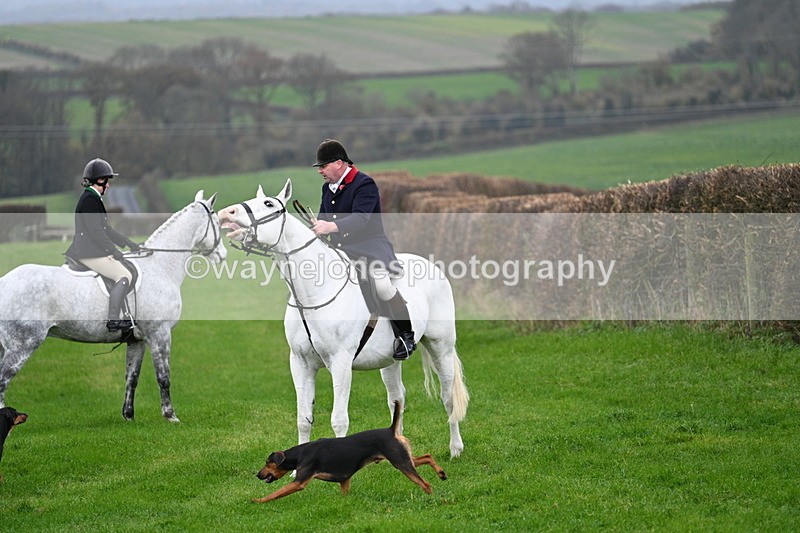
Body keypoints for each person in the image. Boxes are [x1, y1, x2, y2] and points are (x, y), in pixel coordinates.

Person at [311, 139, 416, 360]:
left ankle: (406, 336)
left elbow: (362, 218)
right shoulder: (327, 188)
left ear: (339, 163)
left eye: (323, 166)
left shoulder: (364, 183)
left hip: (371, 247)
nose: (320, 170)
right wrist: (317, 229)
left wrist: (331, 226)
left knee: (382, 285)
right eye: (319, 167)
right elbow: (323, 218)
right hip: (342, 249)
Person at [65, 158, 140, 332]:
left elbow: (106, 229)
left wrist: (128, 243)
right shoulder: (90, 199)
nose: (109, 185)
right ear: (100, 180)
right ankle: (113, 320)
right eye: (107, 181)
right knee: (124, 275)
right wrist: (113, 251)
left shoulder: (93, 198)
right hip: (88, 252)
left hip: (91, 249)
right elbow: (96, 231)